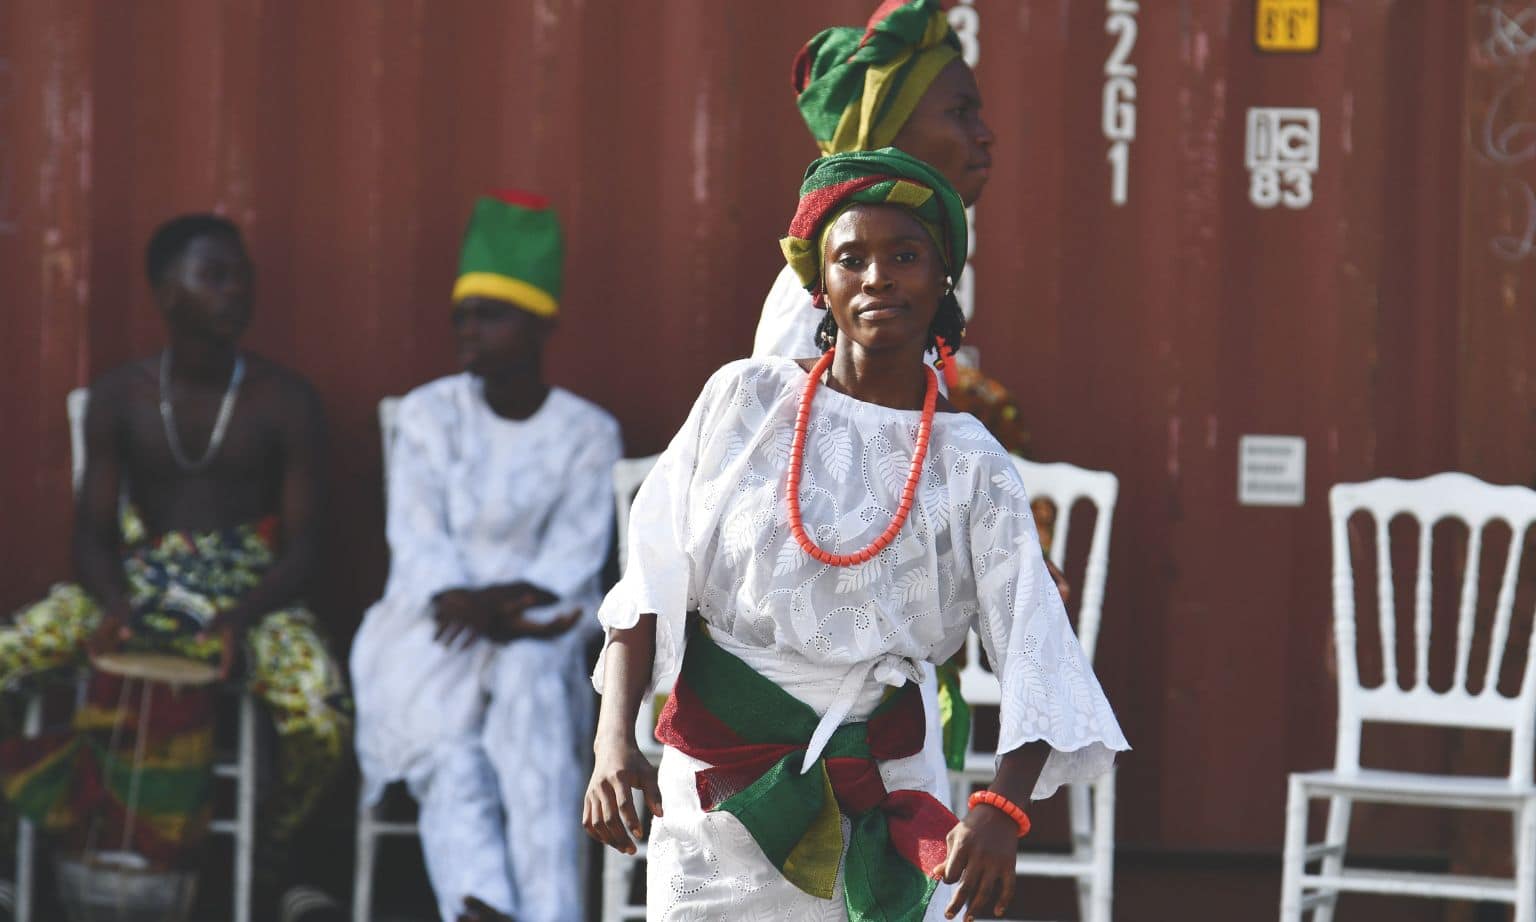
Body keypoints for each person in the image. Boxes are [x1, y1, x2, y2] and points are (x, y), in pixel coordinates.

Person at [585, 149, 1127, 922]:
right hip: (720, 792)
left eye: (904, 256)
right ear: (821, 285)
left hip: (885, 784)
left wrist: (1002, 812)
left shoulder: (971, 462)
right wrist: (614, 746)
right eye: (852, 258)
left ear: (944, 279)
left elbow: (1038, 649)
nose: (878, 277)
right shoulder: (742, 401)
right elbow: (647, 584)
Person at [0, 213, 352, 916]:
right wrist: (117, 609)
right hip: (135, 584)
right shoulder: (120, 396)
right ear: (166, 293)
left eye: (241, 275)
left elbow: (305, 548)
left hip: (252, 597)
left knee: (320, 709)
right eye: (214, 276)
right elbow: (92, 535)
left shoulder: (284, 402)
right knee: (9, 654)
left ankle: (277, 866)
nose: (236, 291)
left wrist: (236, 617)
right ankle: (11, 855)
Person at [350, 190, 622, 922]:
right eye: (461, 314)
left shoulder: (587, 434)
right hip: (429, 629)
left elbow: (574, 562)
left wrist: (501, 607)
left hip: (535, 633)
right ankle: (486, 903)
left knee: (530, 694)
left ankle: (536, 911)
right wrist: (465, 601)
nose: (468, 329)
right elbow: (417, 542)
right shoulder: (428, 413)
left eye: (490, 313)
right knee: (452, 750)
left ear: (540, 325)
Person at [752, 0, 993, 365]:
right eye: (960, 112)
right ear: (887, 137)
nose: (985, 134)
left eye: (904, 257)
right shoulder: (816, 294)